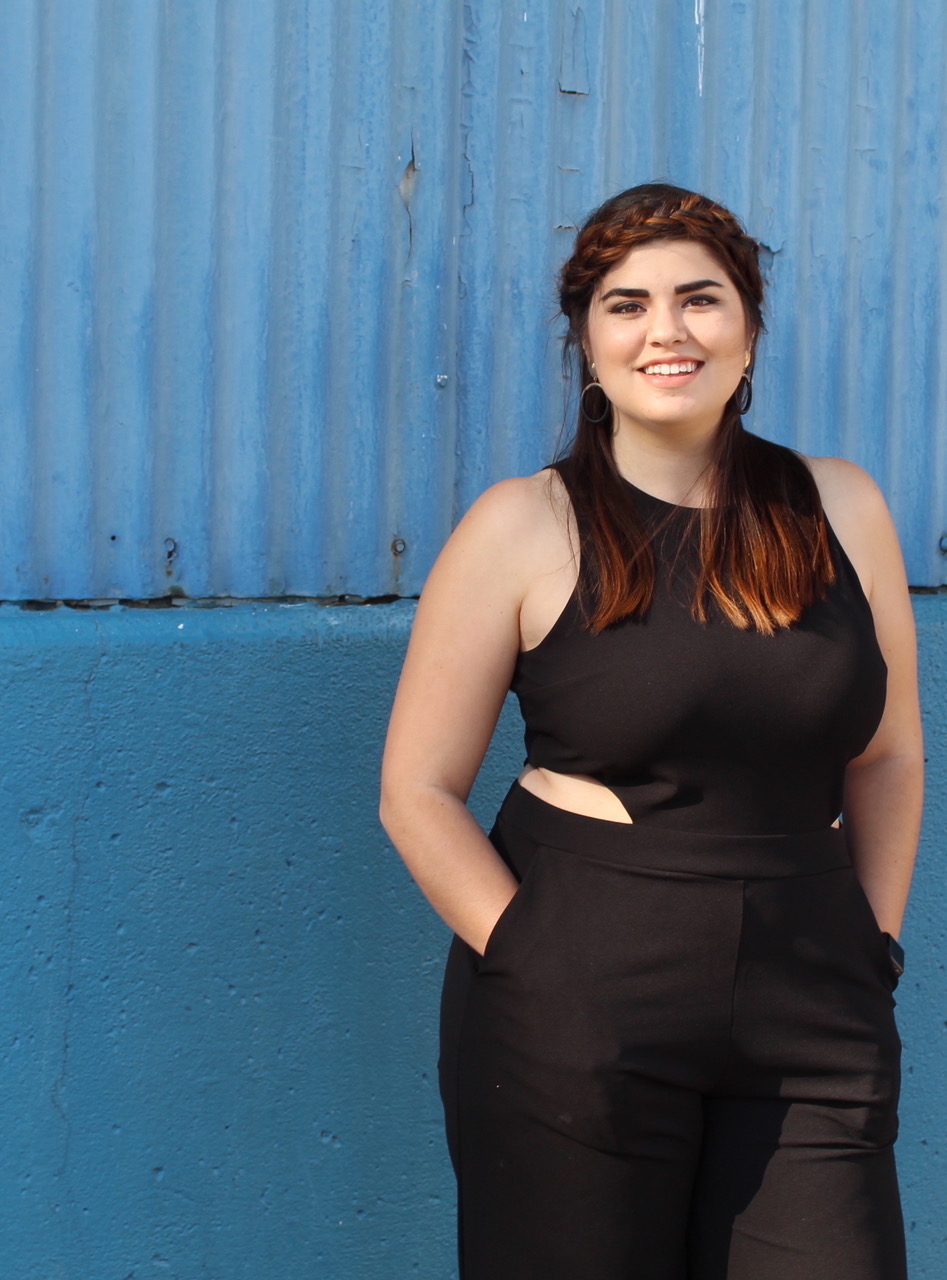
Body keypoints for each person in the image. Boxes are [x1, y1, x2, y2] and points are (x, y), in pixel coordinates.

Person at [379, 183, 923, 1280]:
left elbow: (888, 755)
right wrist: (530, 958)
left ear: (748, 328)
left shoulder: (841, 507)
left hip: (814, 990)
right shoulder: (520, 525)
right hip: (578, 991)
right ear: (586, 343)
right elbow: (416, 791)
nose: (665, 330)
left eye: (698, 299)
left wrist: (873, 944)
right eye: (625, 305)